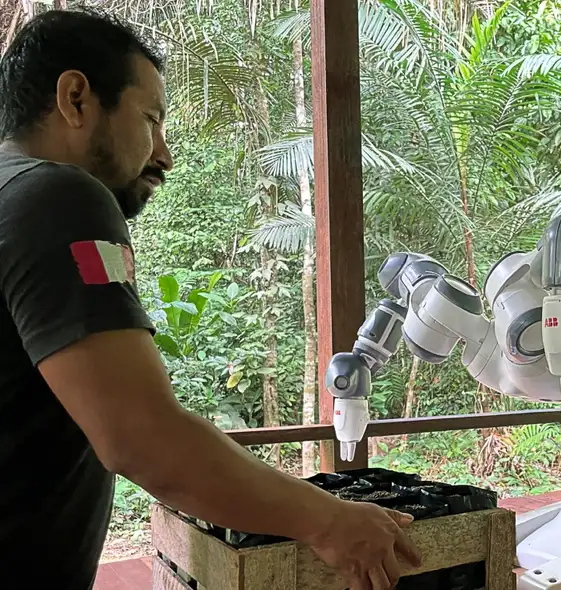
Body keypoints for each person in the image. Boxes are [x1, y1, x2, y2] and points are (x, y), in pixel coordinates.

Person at [0, 8, 420, 590]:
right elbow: (140, 436)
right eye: (150, 118)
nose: (165, 154)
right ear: (75, 98)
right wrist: (329, 521)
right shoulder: (57, 196)